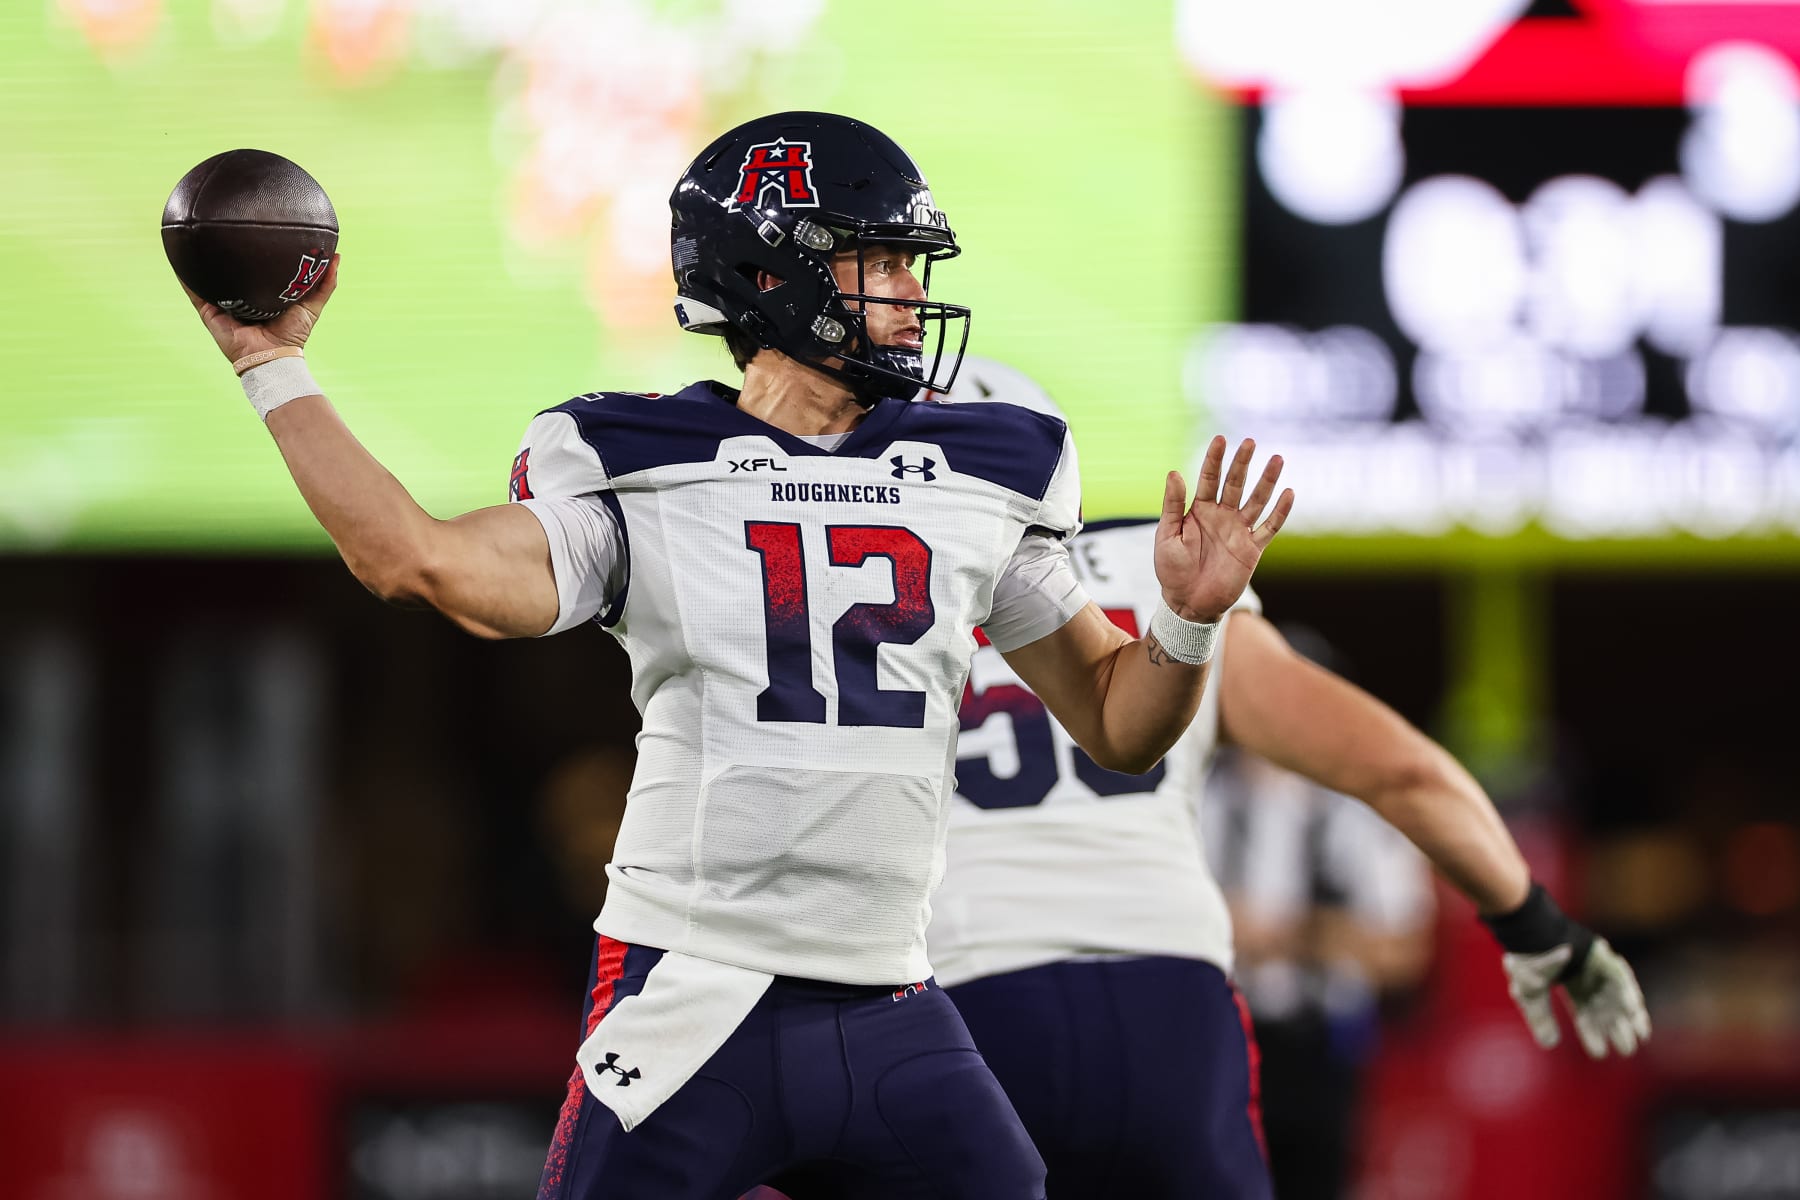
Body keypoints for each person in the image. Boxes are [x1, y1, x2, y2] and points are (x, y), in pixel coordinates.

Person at [176, 113, 1294, 1200]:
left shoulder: (980, 469)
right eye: (882, 262)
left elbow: (1119, 724)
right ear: (775, 275)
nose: (912, 294)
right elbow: (410, 559)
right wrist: (272, 365)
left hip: (893, 1006)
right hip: (696, 995)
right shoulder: (642, 461)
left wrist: (1188, 622)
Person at [928, 356, 1650, 1199]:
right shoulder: (1152, 569)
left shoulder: (847, 579)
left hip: (963, 1013)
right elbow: (1403, 771)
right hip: (1170, 1003)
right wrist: (1538, 927)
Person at [1204, 716, 1435, 1199]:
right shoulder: (1202, 798)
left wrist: (1288, 934)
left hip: (1316, 1050)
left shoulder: (1354, 814)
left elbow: (1404, 951)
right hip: (1214, 1047)